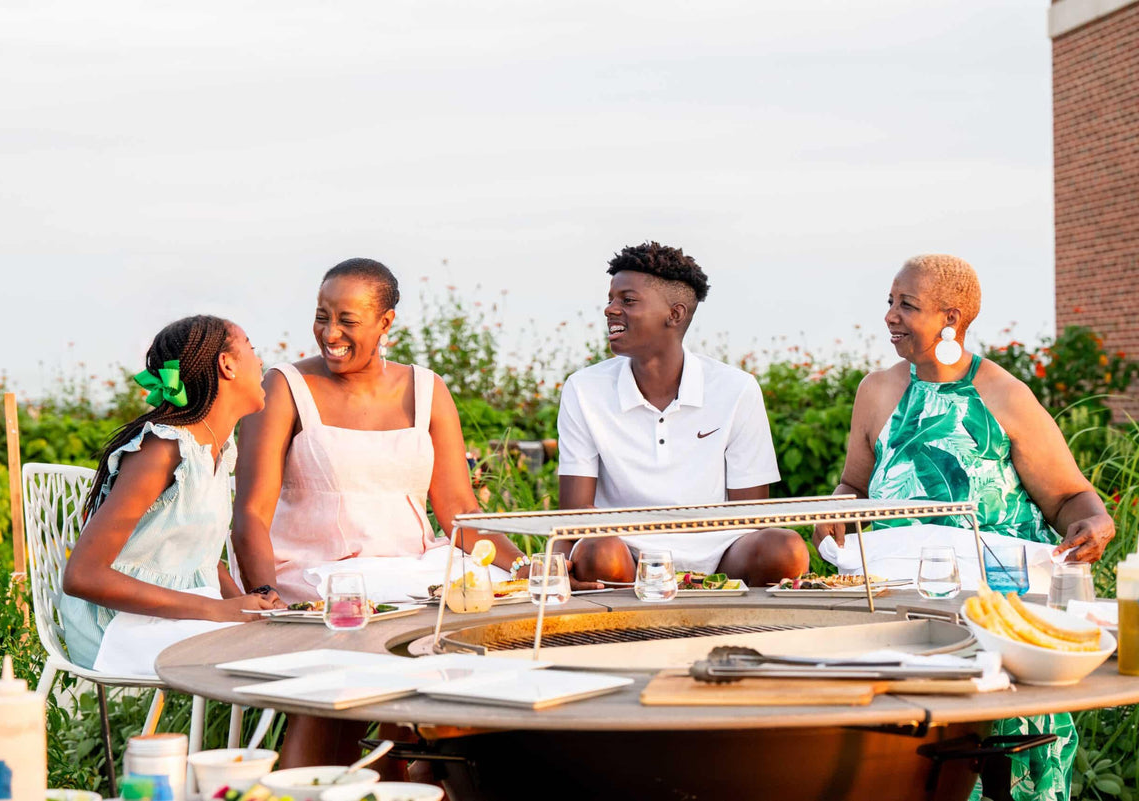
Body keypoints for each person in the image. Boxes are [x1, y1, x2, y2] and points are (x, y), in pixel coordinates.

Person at [813, 254, 1115, 801]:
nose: (890, 316)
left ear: (951, 318)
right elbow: (853, 486)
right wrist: (837, 507)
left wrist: (1093, 521)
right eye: (890, 301)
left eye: (907, 305)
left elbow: (1068, 496)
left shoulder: (1005, 395)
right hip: (899, 603)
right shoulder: (876, 390)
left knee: (991, 749)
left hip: (995, 604)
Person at [231, 258, 534, 768]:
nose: (330, 333)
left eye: (347, 320)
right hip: (316, 576)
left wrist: (523, 566)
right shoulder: (285, 386)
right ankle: (330, 777)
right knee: (366, 648)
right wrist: (268, 599)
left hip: (408, 573)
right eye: (322, 315)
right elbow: (251, 514)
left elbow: (460, 510)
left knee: (488, 626)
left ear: (386, 323)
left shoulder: (426, 389)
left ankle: (421, 773)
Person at [556, 241, 810, 586]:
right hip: (624, 559)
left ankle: (739, 619)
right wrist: (555, 570)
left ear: (674, 315)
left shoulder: (736, 388)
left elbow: (752, 516)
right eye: (610, 299)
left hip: (721, 554)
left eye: (627, 301)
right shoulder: (583, 389)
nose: (610, 310)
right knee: (598, 550)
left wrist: (709, 574)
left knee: (787, 548)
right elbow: (575, 516)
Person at [61, 315, 278, 676]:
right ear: (227, 365)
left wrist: (243, 603)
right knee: (262, 655)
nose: (260, 362)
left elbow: (202, 557)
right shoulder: (162, 450)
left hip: (173, 619)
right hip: (118, 628)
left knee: (285, 638)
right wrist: (218, 611)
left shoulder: (217, 449)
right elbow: (82, 575)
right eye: (252, 350)